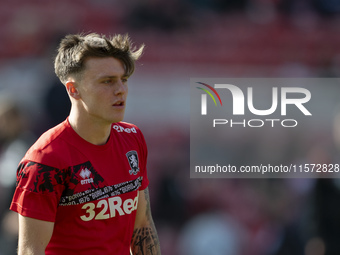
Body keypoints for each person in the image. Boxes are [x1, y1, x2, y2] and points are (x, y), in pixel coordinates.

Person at [10, 32, 161, 255]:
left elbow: (142, 227)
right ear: (74, 89)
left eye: (124, 79)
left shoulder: (132, 138)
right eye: (107, 81)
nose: (121, 89)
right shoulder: (44, 160)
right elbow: (31, 251)